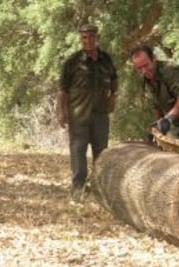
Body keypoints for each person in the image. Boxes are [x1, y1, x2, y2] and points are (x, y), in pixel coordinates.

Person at [56, 24, 118, 200]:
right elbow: (62, 89)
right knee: (78, 151)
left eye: (91, 37)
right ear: (80, 39)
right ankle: (78, 188)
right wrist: (61, 112)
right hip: (78, 115)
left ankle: (99, 188)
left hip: (100, 114)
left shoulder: (106, 59)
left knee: (101, 152)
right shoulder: (72, 62)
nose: (87, 40)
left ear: (96, 38)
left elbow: (114, 79)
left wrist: (113, 96)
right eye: (84, 37)